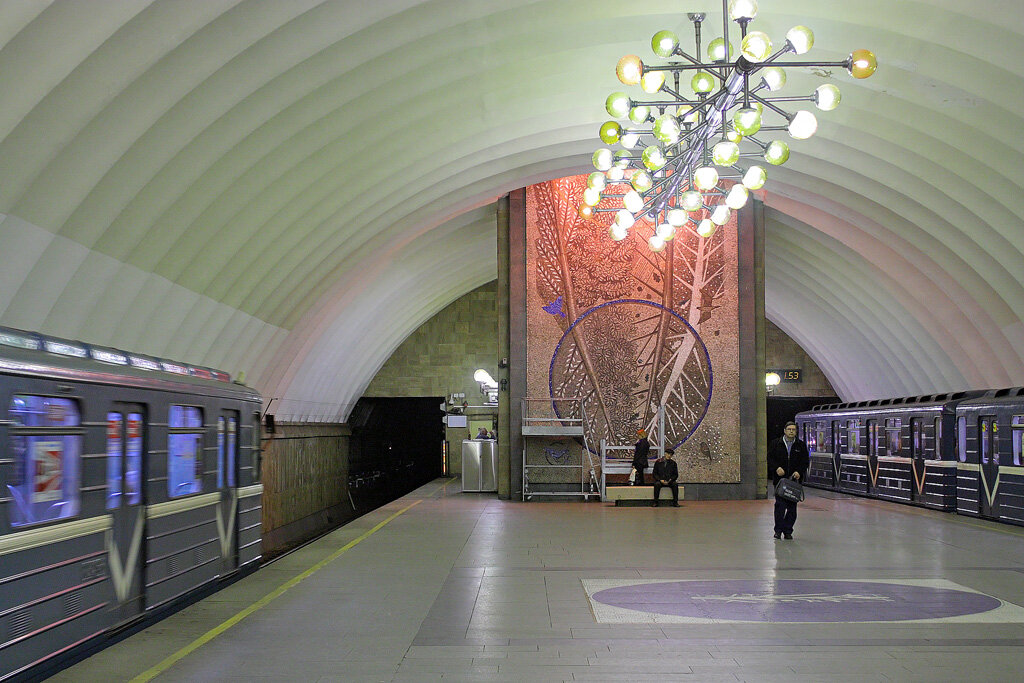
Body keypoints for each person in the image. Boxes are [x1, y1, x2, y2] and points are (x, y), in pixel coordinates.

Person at [767, 421, 809, 539]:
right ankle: (778, 530)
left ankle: (788, 530)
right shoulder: (776, 444)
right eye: (789, 429)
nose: (791, 431)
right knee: (780, 506)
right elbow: (770, 458)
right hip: (780, 481)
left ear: (796, 432)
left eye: (793, 430)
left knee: (792, 508)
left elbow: (805, 461)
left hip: (794, 482)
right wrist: (776, 468)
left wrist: (799, 472)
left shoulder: (800, 445)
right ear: (784, 431)